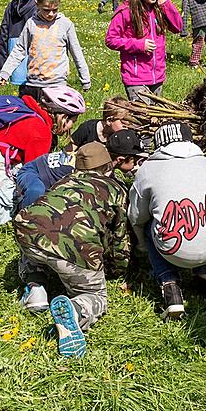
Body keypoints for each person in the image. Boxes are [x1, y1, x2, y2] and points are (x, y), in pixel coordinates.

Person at [14, 142, 135, 358]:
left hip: (27, 230)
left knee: (38, 234)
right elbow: (119, 238)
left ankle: (36, 288)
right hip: (78, 247)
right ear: (108, 167)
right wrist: (117, 270)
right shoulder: (116, 190)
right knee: (95, 294)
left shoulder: (64, 180)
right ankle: (77, 310)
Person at [127, 122, 206, 320]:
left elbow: (136, 216)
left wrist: (142, 246)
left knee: (151, 223)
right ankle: (205, 277)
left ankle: (170, 286)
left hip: (176, 246)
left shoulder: (148, 169)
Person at [0, 86, 86, 231]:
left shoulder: (26, 107)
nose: (72, 127)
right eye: (73, 121)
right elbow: (34, 170)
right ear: (62, 116)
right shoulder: (41, 132)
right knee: (3, 214)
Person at [15, 128, 145, 214]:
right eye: (135, 160)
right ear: (121, 159)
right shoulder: (90, 165)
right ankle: (25, 218)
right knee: (36, 191)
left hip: (52, 176)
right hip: (33, 171)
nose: (136, 164)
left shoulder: (101, 160)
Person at [0, 0, 91, 100]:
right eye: (46, 10)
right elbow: (19, 49)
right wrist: (6, 72)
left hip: (57, 85)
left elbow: (77, 53)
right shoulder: (31, 24)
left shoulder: (65, 24)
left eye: (55, 9)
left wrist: (85, 78)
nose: (51, 14)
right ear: (37, 4)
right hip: (33, 84)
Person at [105, 0, 183, 103]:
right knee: (142, 118)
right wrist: (139, 45)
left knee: (155, 119)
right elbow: (111, 39)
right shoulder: (125, 11)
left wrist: (167, 5)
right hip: (136, 78)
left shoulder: (159, 8)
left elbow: (178, 27)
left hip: (158, 76)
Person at [0, 0, 53, 88]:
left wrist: (2, 68)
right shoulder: (38, 8)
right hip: (33, 55)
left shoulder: (11, 5)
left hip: (14, 53)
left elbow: (3, 35)